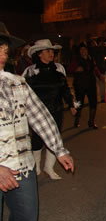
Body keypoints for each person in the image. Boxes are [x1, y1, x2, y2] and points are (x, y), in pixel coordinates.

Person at [0, 23, 74, 221]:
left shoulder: (17, 83)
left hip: (22, 168)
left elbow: (39, 115)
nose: (3, 51)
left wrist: (59, 149)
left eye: (4, 47)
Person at [22, 39, 77, 180]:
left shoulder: (59, 69)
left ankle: (49, 168)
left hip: (56, 110)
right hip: (37, 113)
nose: (51, 53)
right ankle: (36, 167)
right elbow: (23, 93)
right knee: (37, 140)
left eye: (52, 51)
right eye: (47, 51)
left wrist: (71, 104)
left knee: (55, 138)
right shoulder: (30, 72)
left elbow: (65, 89)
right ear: (39, 54)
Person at [69, 44, 101, 129]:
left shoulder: (90, 58)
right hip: (80, 84)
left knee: (93, 102)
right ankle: (76, 119)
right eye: (81, 50)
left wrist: (99, 76)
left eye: (85, 49)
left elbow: (95, 68)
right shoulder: (76, 60)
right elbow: (70, 69)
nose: (83, 51)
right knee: (79, 103)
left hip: (91, 83)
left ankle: (91, 121)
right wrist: (76, 70)